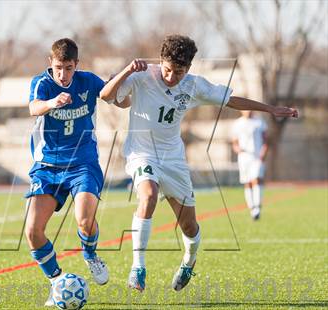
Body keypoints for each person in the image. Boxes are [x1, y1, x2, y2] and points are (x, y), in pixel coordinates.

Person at [99, 34, 298, 292]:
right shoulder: (141, 76)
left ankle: (189, 260)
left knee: (189, 227)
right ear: (161, 61)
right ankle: (138, 267)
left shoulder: (193, 86)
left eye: (179, 72)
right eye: (168, 70)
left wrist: (271, 109)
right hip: (142, 154)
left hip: (174, 160)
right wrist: (126, 70)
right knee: (147, 195)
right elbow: (106, 95)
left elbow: (232, 100)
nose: (172, 77)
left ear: (189, 68)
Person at [24, 38, 111, 305]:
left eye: (69, 68)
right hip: (47, 167)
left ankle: (90, 254)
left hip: (83, 163)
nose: (63, 75)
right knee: (32, 232)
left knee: (85, 220)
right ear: (50, 63)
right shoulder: (42, 83)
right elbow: (33, 107)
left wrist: (125, 78)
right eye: (59, 67)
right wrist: (52, 103)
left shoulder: (88, 81)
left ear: (77, 65)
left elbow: (114, 96)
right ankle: (57, 281)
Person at [232, 110, 268, 220]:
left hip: (256, 156)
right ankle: (252, 208)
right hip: (244, 157)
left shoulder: (260, 122)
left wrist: (263, 152)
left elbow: (266, 140)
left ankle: (257, 206)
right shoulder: (237, 124)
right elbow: (235, 142)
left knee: (256, 179)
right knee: (247, 183)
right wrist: (238, 150)